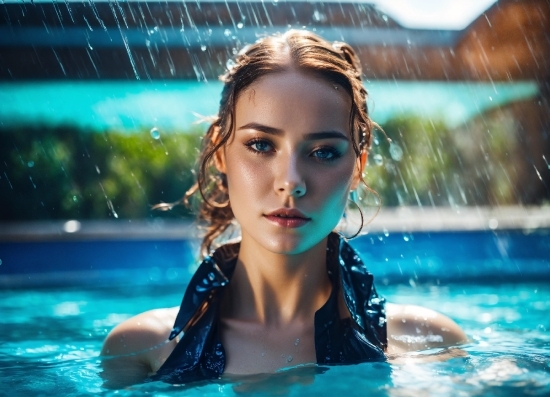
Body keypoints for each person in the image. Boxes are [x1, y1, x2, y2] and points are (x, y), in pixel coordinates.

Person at [100, 30, 467, 388]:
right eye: (261, 145)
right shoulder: (142, 350)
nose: (291, 181)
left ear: (358, 167)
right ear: (220, 152)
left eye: (323, 151)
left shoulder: (427, 344)